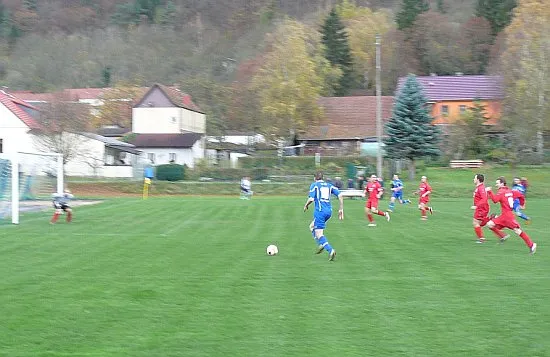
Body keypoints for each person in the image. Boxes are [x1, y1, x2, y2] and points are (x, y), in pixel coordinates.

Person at [485, 176, 536, 254]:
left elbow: (495, 200)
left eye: (497, 183)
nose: (496, 185)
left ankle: (532, 245)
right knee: (489, 224)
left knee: (518, 231)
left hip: (507, 217)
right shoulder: (511, 191)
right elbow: (521, 195)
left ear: (502, 183)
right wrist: (522, 204)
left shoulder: (501, 192)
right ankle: (503, 236)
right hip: (506, 216)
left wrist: (489, 191)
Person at [303, 171, 343, 261]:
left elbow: (311, 198)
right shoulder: (329, 185)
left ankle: (330, 250)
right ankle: (320, 244)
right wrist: (341, 208)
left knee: (319, 234)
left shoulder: (314, 185)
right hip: (329, 212)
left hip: (320, 212)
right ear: (322, 178)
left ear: (315, 178)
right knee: (311, 226)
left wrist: (306, 205)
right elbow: (340, 195)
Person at [471, 174, 491, 243]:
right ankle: (490, 219)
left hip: (482, 208)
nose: (473, 179)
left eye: (474, 178)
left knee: (475, 222)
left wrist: (477, 206)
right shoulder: (479, 187)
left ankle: (481, 239)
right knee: (478, 223)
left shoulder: (480, 188)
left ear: (478, 180)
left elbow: (484, 198)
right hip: (480, 208)